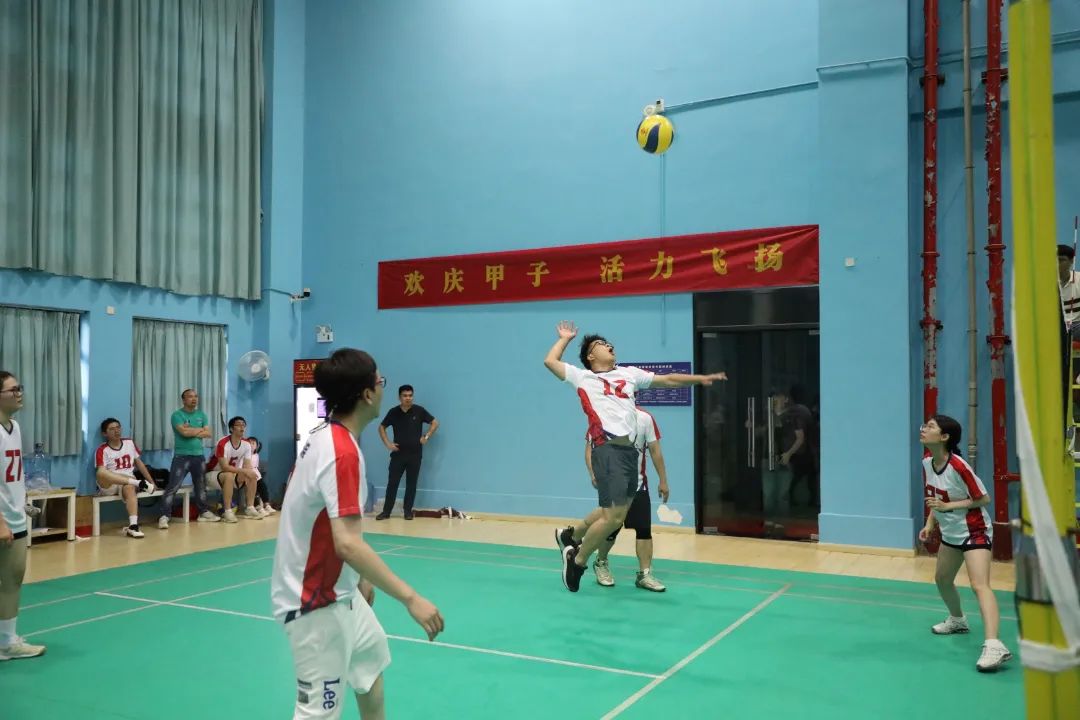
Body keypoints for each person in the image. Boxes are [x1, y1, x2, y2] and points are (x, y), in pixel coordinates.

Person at [271, 348, 443, 719]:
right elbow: (347, 543)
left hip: (341, 594)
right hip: (314, 604)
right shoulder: (341, 452)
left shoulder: (330, 436)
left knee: (370, 665)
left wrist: (360, 578)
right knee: (318, 711)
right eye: (380, 381)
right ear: (367, 394)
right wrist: (411, 598)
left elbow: (334, 523)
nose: (383, 387)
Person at [544, 320, 726, 592]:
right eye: (602, 344)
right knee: (612, 518)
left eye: (609, 343)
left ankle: (572, 543)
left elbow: (668, 380)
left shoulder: (628, 374)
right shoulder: (582, 377)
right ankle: (578, 561)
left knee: (615, 517)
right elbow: (550, 361)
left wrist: (699, 379)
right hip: (607, 448)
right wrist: (565, 339)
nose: (609, 346)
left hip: (629, 454)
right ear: (591, 356)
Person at [918, 415, 1011, 672]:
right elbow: (935, 497)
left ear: (944, 437)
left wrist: (948, 506)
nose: (923, 429)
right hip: (951, 532)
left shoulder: (959, 466)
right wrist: (930, 523)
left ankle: (994, 645)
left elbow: (983, 498)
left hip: (975, 530)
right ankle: (958, 620)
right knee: (942, 579)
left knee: (979, 585)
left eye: (930, 427)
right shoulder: (927, 463)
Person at [568, 407, 669, 592]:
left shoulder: (645, 419)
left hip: (638, 485)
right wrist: (593, 472)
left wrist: (663, 480)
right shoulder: (603, 417)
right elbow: (590, 449)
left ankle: (645, 574)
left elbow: (655, 450)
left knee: (644, 530)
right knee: (611, 528)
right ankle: (600, 562)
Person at [0, 371, 46, 661]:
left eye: (20, 388)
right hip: (3, 522)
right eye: (12, 389)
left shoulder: (14, 427)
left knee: (12, 580)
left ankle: (6, 639)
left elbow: (12, 476)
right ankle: (6, 642)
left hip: (13, 516)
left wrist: (21, 503)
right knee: (9, 580)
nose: (19, 394)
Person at [376, 385, 438, 521]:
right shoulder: (393, 412)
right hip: (398, 455)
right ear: (399, 397)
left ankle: (408, 511)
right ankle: (386, 512)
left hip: (415, 455)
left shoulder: (419, 411)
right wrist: (388, 443)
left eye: (410, 395)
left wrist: (426, 436)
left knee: (411, 484)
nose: (408, 398)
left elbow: (435, 423)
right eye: (405, 396)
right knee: (392, 484)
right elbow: (381, 427)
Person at [158, 389, 219, 528]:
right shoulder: (177, 415)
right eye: (190, 396)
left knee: (201, 486)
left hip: (199, 456)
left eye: (196, 396)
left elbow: (208, 433)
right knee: (173, 486)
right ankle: (165, 516)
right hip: (181, 456)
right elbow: (184, 433)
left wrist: (190, 430)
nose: (194, 399)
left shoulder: (202, 415)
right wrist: (199, 430)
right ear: (183, 400)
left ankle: (203, 512)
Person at [94, 418, 156, 538]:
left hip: (127, 483)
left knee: (129, 487)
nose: (116, 431)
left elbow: (139, 463)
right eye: (112, 429)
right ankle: (137, 482)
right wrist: (136, 482)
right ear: (105, 433)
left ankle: (133, 526)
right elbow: (101, 472)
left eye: (118, 427)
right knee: (100, 472)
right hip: (110, 484)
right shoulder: (102, 450)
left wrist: (151, 482)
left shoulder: (129, 443)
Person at [207, 416, 261, 522]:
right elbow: (225, 467)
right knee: (228, 475)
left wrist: (248, 472)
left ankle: (250, 507)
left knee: (252, 474)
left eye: (243, 425)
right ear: (231, 429)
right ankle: (227, 511)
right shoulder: (222, 443)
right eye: (238, 425)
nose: (242, 427)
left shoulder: (246, 444)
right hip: (212, 474)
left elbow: (247, 466)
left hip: (231, 475)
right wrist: (244, 471)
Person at [247, 436, 275, 515]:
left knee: (263, 487)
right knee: (254, 490)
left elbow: (256, 467)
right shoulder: (245, 455)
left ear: (256, 446)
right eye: (249, 443)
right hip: (248, 475)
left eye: (253, 443)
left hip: (257, 475)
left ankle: (267, 505)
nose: (251, 445)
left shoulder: (256, 455)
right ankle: (257, 506)